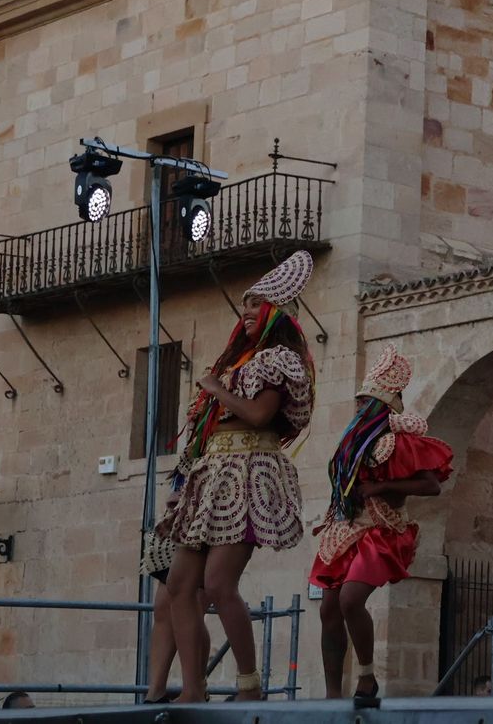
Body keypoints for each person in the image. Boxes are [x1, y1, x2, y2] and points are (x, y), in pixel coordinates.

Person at [158, 251, 316, 702]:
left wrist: (215, 389)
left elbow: (260, 415)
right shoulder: (240, 362)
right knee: (179, 586)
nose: (245, 312)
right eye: (245, 305)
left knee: (219, 584)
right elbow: (207, 432)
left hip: (247, 473)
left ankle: (249, 686)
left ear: (276, 314)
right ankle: (194, 688)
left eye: (255, 305)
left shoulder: (279, 359)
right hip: (212, 475)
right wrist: (185, 484)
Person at [310, 344, 453, 708]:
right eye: (358, 400)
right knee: (328, 608)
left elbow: (431, 486)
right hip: (345, 527)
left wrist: (381, 487)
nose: (358, 406)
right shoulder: (352, 441)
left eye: (365, 401)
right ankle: (331, 692)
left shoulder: (397, 441)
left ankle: (367, 675)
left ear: (379, 405)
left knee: (350, 599)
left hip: (381, 530)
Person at [139, 531, 208, 704]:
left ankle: (195, 690)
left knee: (193, 604)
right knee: (163, 605)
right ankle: (155, 692)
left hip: (207, 524)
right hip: (181, 524)